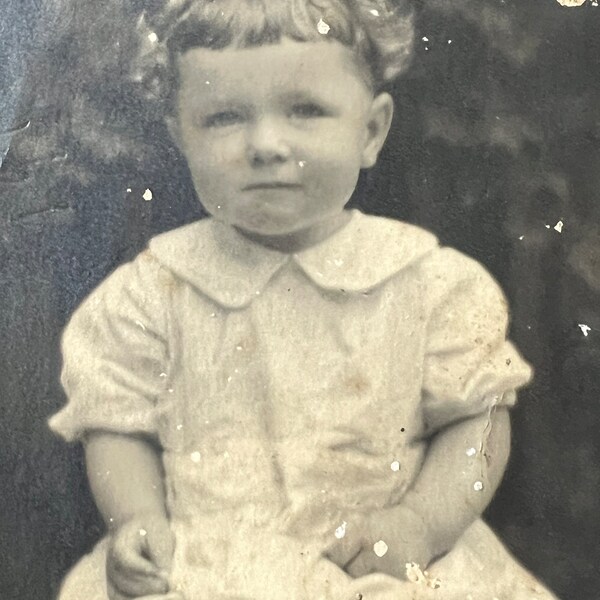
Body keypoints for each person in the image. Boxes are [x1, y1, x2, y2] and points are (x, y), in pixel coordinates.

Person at [49, 1, 558, 598]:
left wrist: (421, 521)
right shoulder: (152, 292)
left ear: (369, 131)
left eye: (305, 110)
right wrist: (136, 518)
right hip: (210, 562)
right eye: (224, 118)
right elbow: (117, 426)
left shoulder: (431, 286)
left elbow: (479, 423)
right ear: (180, 134)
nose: (264, 144)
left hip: (376, 559)